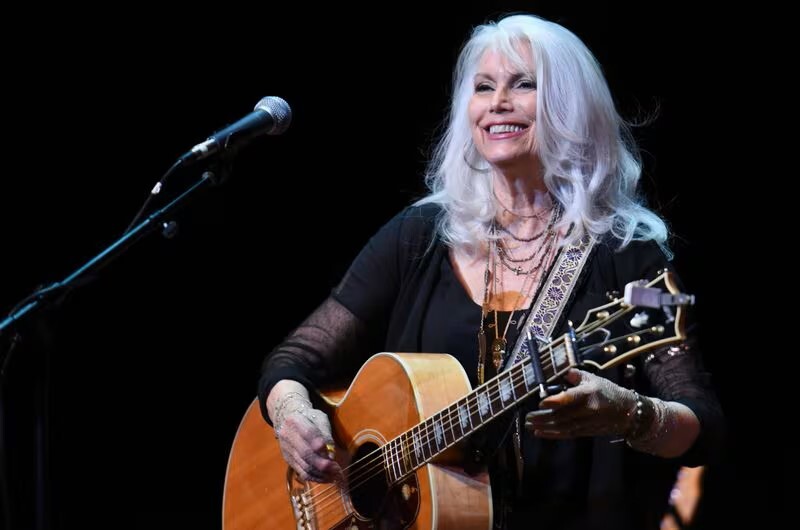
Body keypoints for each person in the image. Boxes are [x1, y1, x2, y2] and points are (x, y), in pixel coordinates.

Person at [257, 12, 724, 530]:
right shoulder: (420, 234)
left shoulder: (626, 255)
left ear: (570, 104)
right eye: (483, 87)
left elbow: (702, 425)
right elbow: (296, 358)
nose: (498, 102)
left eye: (523, 84)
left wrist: (631, 413)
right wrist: (291, 414)